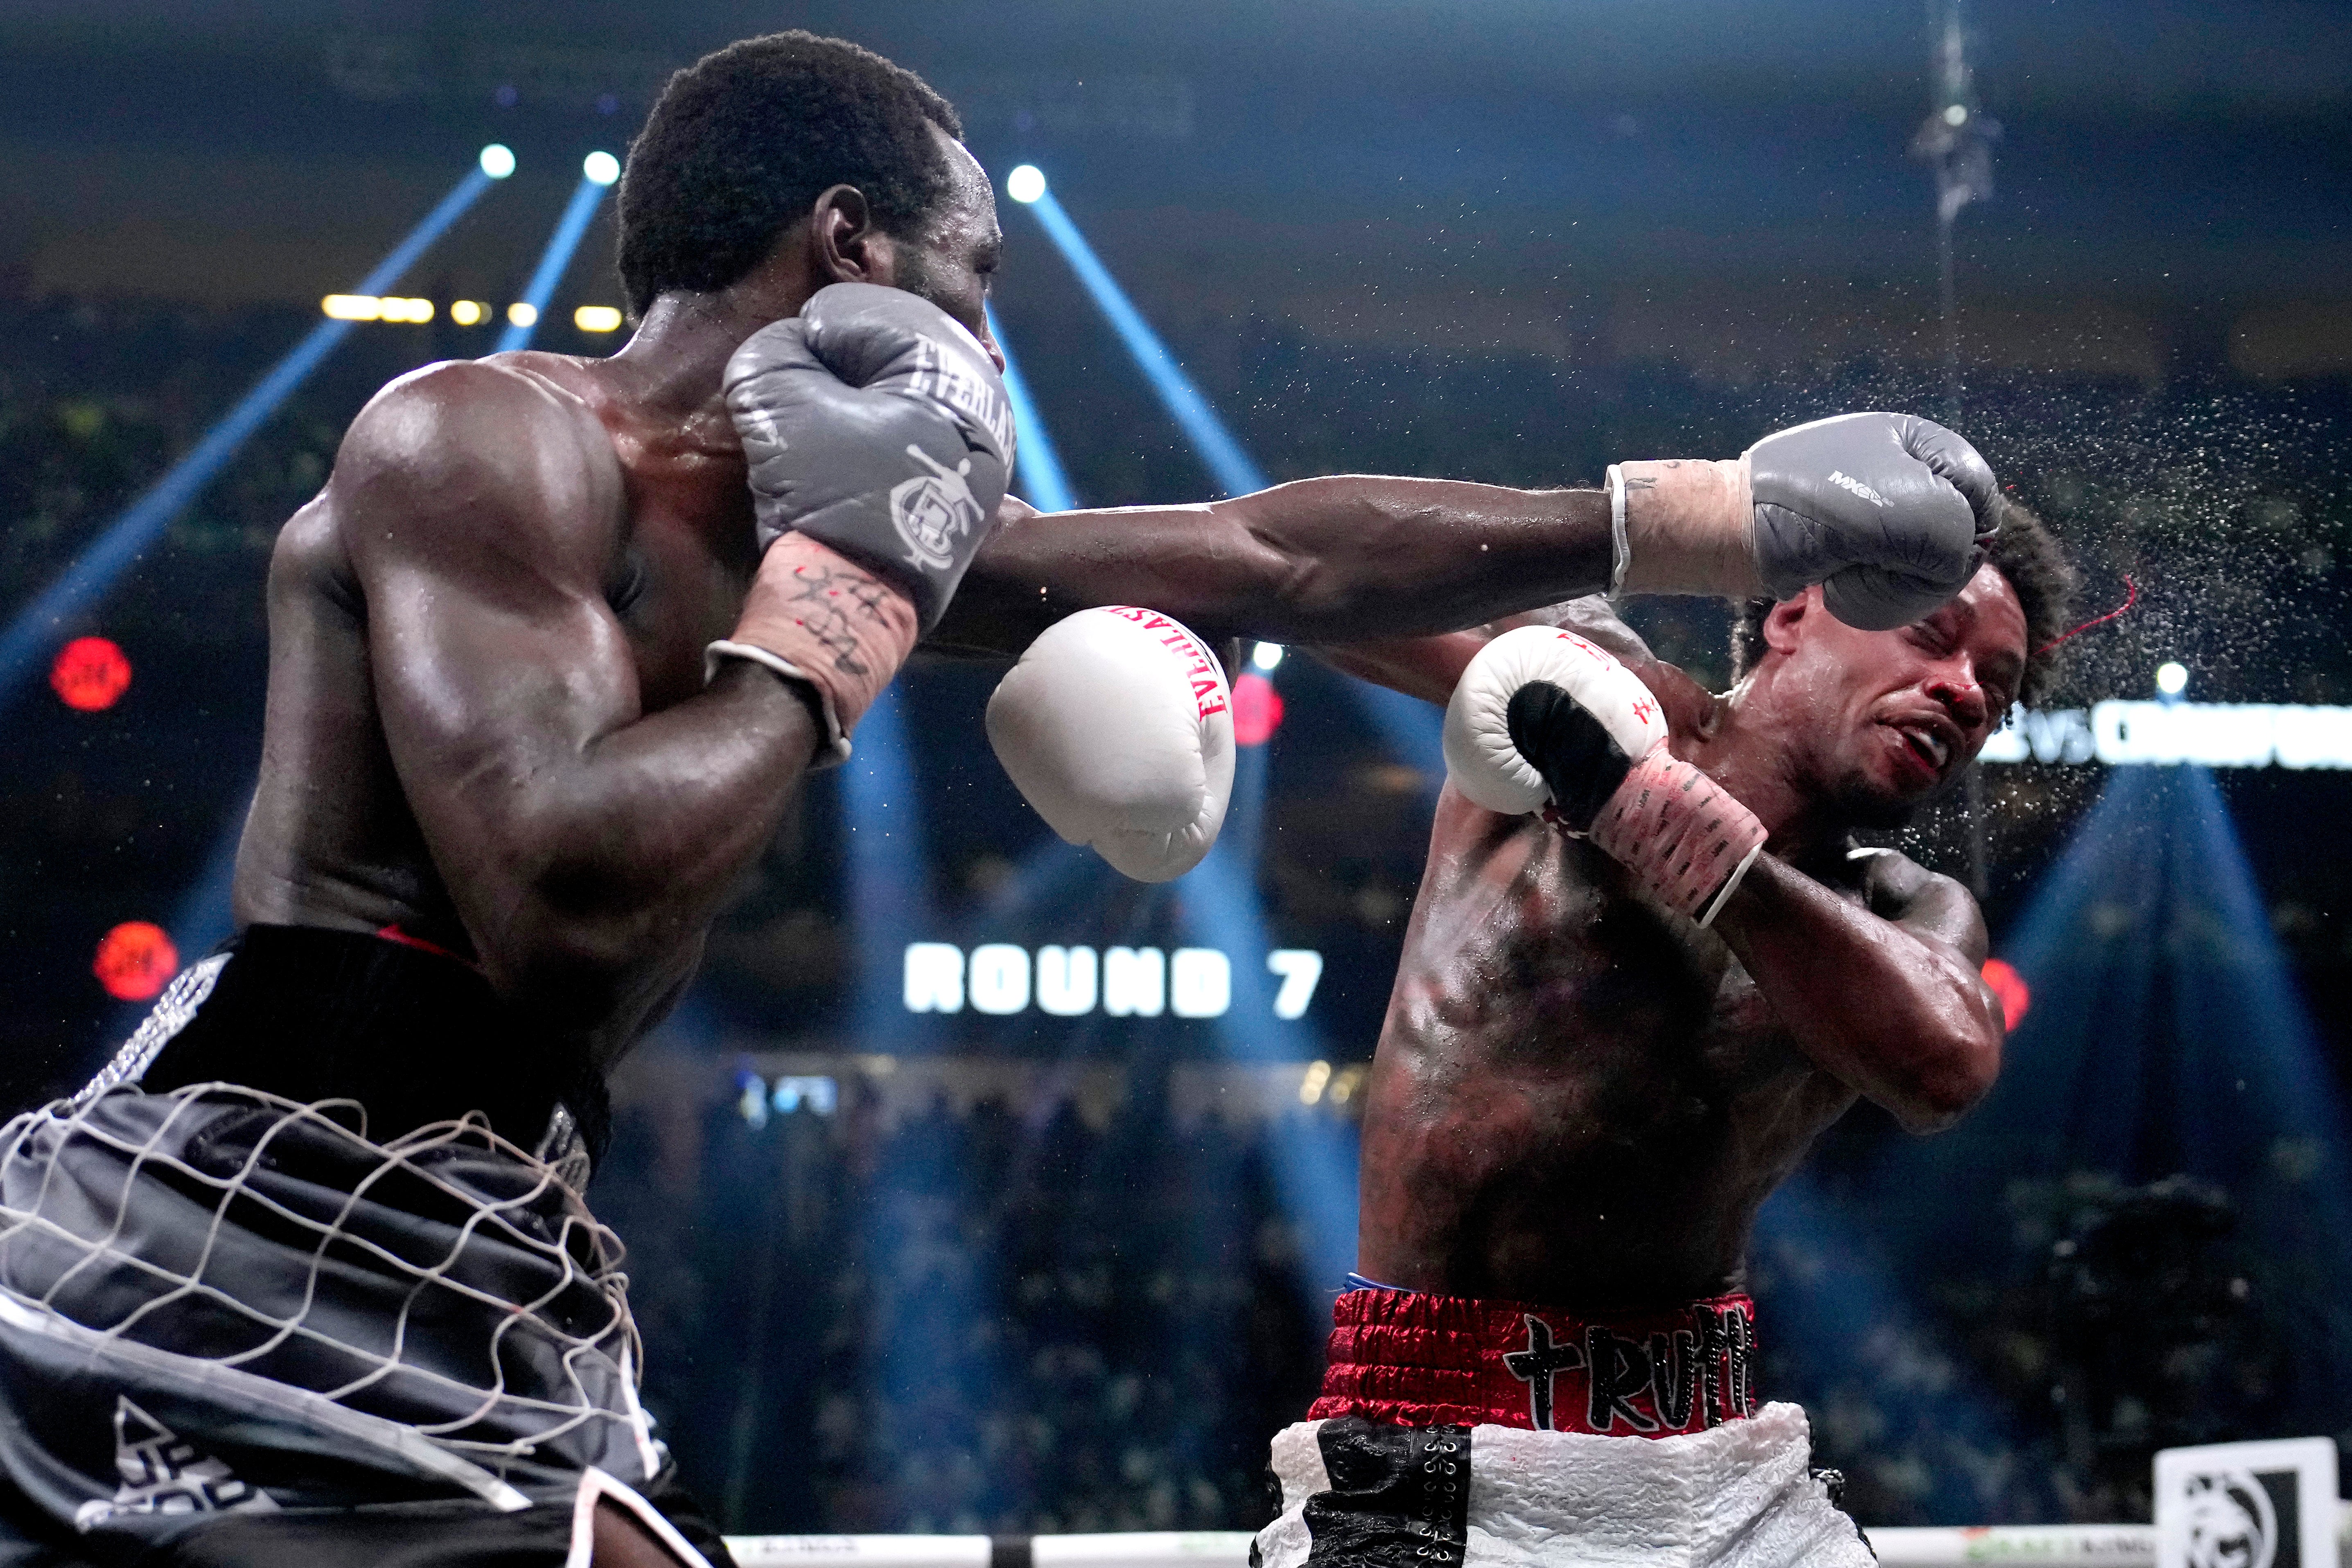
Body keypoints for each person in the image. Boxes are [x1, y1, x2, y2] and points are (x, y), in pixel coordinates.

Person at [0, 30, 2007, 1568]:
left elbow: (1278, 554)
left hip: (502, 1201)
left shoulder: (829, 513)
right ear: (850, 254)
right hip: (266, 1183)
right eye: (972, 281)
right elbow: (558, 892)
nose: (987, 340)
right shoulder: (478, 436)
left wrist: (1713, 518)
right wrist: (842, 611)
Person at [1252, 508, 2074, 1566]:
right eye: (1932, 638)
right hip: (1446, 1450)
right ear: (1791, 612)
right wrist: (1664, 509)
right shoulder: (1587, 680)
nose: (1965, 692)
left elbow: (1944, 1063)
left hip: (1722, 1460)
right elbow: (1321, 578)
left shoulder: (1905, 908)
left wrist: (1665, 820)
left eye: (1994, 691)